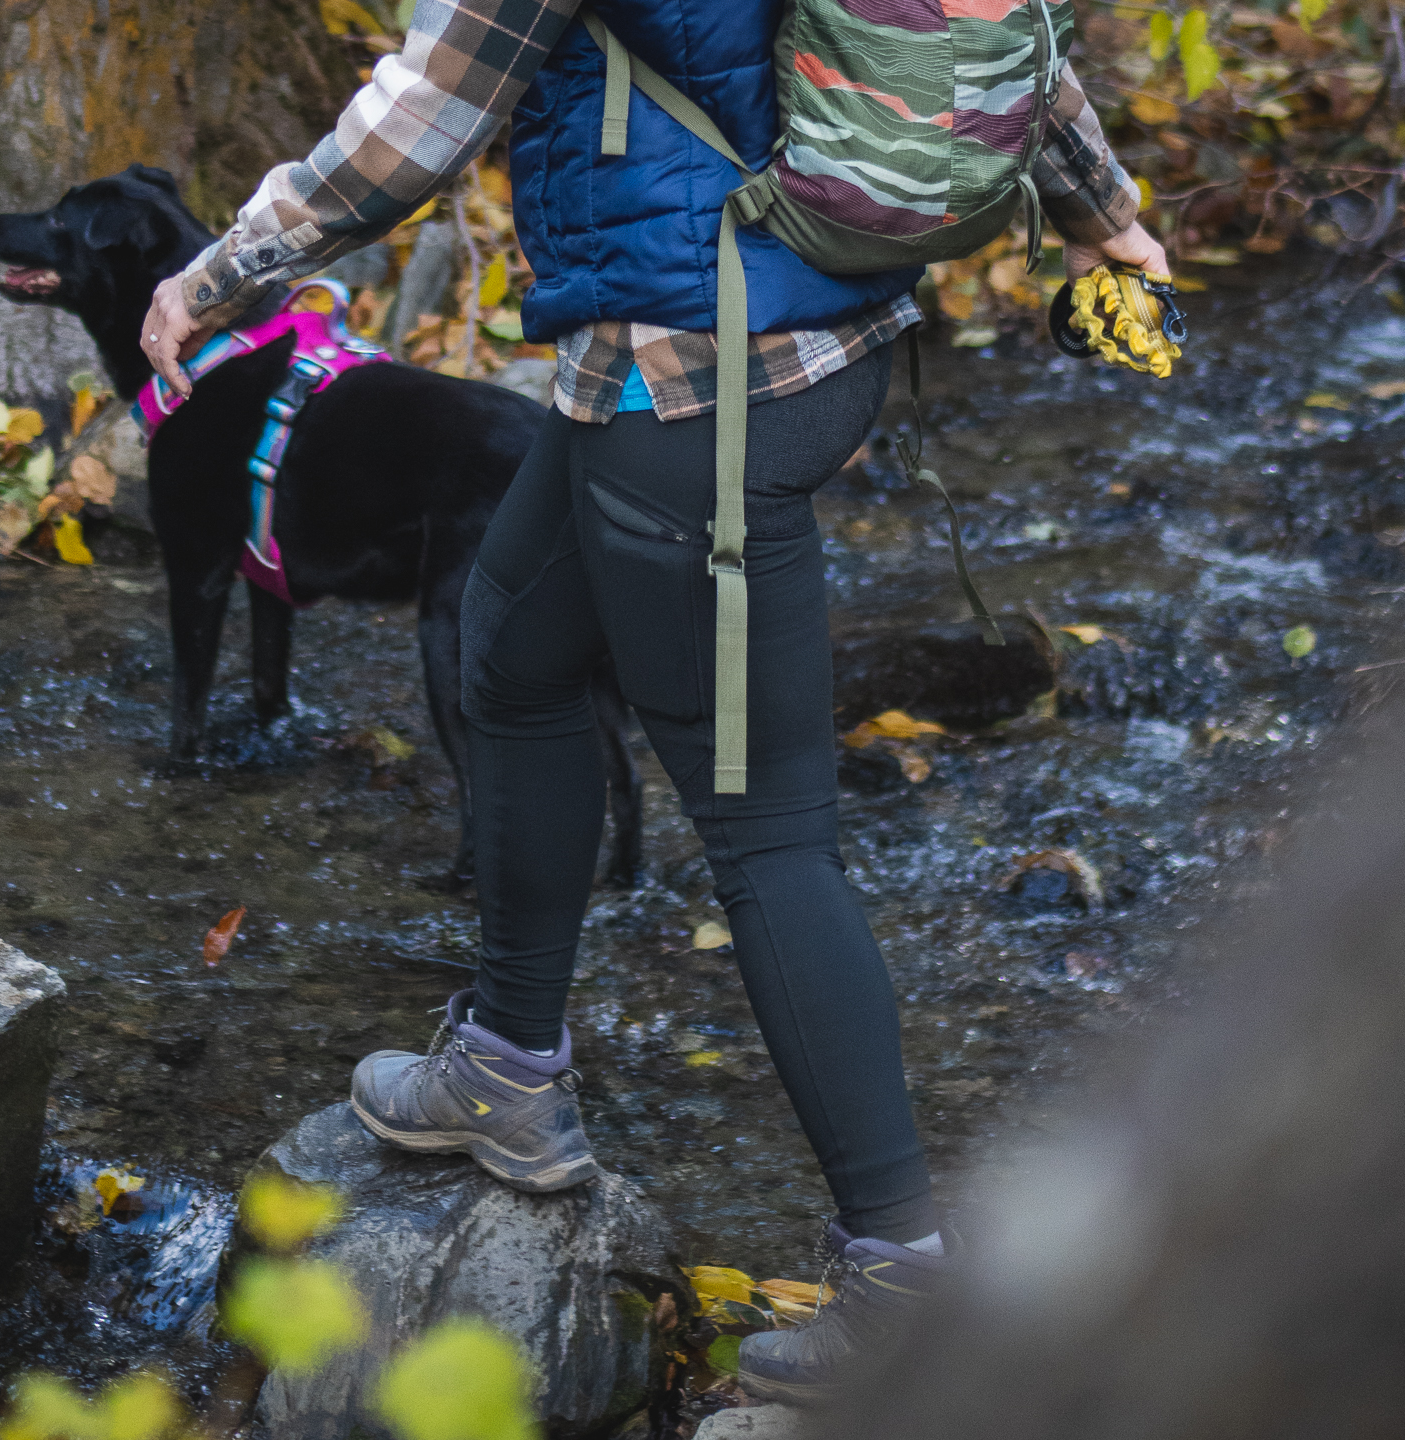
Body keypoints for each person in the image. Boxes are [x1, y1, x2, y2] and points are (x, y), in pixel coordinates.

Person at [142, 0, 1163, 1402]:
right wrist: (1104, 212)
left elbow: (424, 118)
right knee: (509, 650)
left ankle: (901, 1277)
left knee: (770, 836)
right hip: (776, 336)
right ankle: (507, 1064)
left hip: (704, 381)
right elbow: (997, 41)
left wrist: (222, 275)